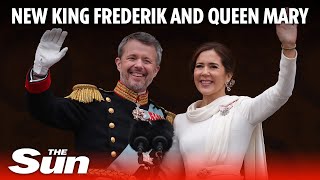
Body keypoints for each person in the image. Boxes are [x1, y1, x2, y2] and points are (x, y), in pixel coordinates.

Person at [24, 28, 176, 179]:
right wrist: (40, 70)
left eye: (147, 60)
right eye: (132, 58)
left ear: (156, 70)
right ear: (118, 63)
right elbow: (43, 109)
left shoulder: (164, 120)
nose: (139, 65)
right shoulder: (93, 102)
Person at [160, 23, 297, 180]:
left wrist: (288, 48)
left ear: (228, 76)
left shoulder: (243, 108)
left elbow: (282, 92)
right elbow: (168, 173)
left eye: (213, 67)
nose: (205, 72)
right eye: (199, 66)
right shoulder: (181, 121)